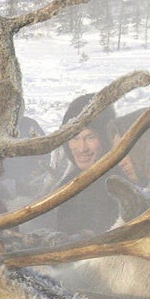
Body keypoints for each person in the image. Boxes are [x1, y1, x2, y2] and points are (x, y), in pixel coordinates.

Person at [51, 94, 124, 237]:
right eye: (74, 138)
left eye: (90, 137)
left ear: (106, 137)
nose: (81, 148)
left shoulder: (118, 186)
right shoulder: (69, 184)